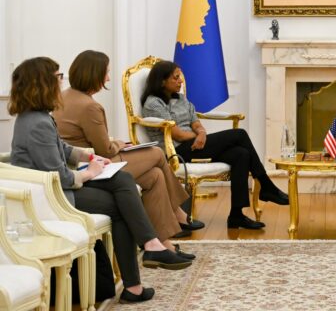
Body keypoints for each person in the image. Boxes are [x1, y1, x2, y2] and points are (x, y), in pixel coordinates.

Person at [9, 57, 192, 304]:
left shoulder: (37, 116)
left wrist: (87, 156)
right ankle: (138, 278)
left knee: (122, 179)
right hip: (53, 198)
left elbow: (61, 149)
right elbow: (59, 176)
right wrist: (89, 172)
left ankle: (151, 247)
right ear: (42, 83)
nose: (61, 82)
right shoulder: (36, 123)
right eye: (58, 77)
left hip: (57, 188)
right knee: (121, 206)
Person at [53, 50, 201, 258]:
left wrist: (114, 144)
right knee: (157, 154)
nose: (108, 78)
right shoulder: (90, 106)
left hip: (82, 161)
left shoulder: (65, 96)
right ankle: (177, 211)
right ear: (94, 74)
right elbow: (104, 150)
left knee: (155, 176)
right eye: (106, 73)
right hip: (92, 167)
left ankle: (163, 245)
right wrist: (118, 144)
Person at [141, 60, 289, 230]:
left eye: (180, 76)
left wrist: (202, 133)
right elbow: (177, 134)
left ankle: (236, 215)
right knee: (240, 134)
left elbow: (195, 122)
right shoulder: (154, 104)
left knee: (241, 154)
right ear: (162, 81)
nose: (180, 81)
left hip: (194, 145)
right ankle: (266, 185)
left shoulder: (181, 98)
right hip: (176, 151)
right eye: (175, 78)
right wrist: (198, 136)